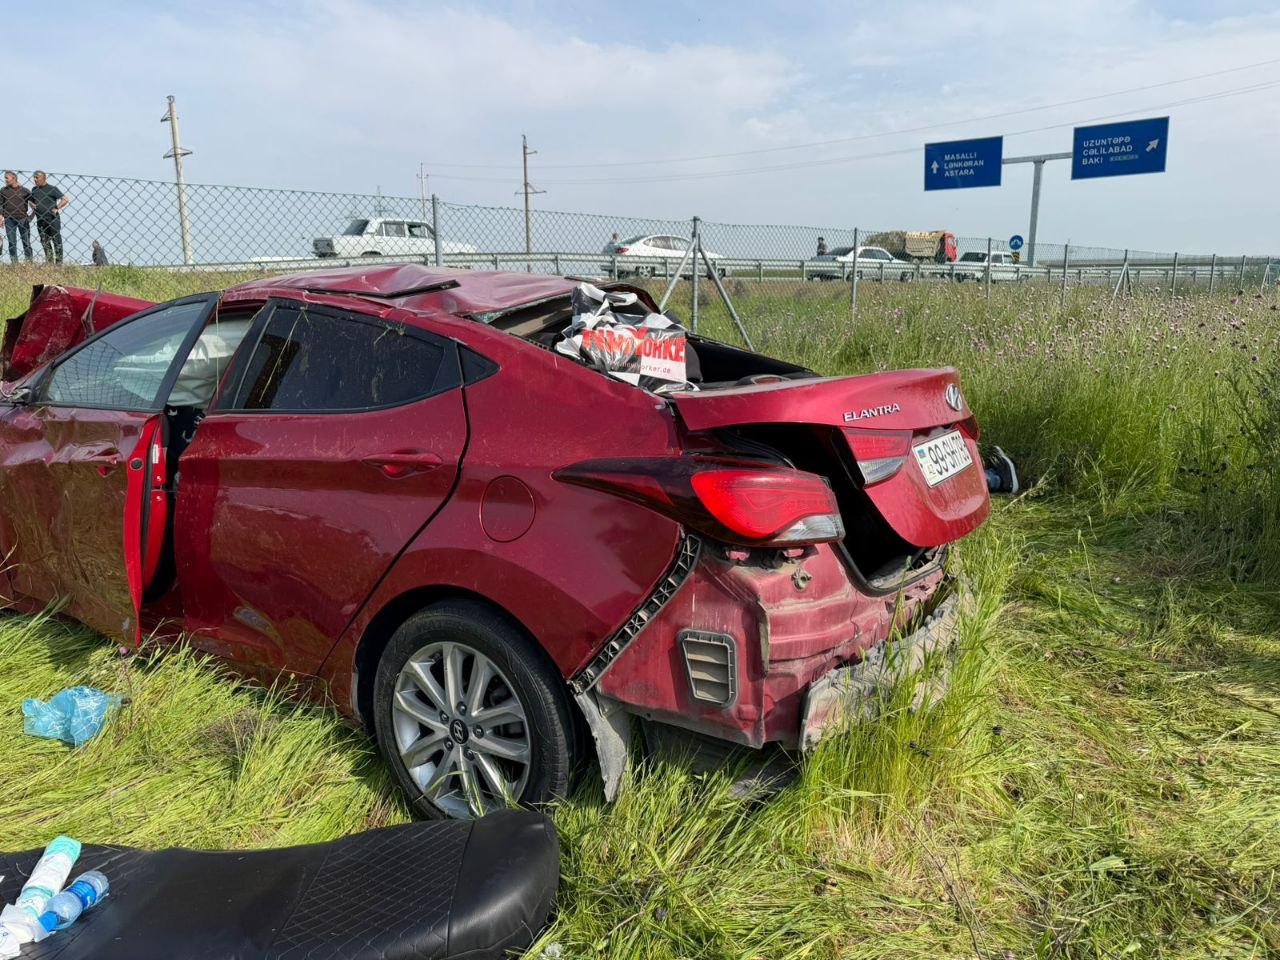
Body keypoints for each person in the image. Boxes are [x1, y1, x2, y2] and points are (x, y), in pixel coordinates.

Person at [30, 171, 68, 264]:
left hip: (52, 219)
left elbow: (65, 199)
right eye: (34, 177)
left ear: (44, 178)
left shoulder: (52, 189)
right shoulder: (34, 189)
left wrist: (57, 208)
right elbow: (33, 203)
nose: (35, 179)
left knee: (56, 240)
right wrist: (31, 208)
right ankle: (49, 262)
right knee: (44, 241)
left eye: (37, 177)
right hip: (40, 219)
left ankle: (59, 263)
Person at [0, 171, 33, 263]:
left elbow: (35, 204)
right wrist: (0, 216)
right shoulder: (3, 190)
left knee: (26, 242)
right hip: (9, 219)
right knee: (12, 242)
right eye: (5, 178)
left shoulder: (25, 191)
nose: (5, 180)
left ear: (13, 178)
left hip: (23, 219)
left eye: (7, 178)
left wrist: (31, 217)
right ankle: (15, 264)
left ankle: (29, 262)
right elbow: (0, 204)